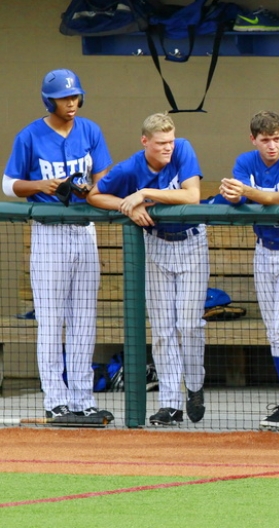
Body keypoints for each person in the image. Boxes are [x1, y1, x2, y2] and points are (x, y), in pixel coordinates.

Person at [2, 68, 113, 423]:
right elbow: (8, 185)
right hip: (49, 232)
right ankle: (56, 400)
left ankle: (83, 398)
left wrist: (89, 190)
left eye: (75, 96)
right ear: (49, 100)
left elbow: (103, 180)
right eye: (64, 98)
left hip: (84, 230)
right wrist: (41, 186)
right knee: (51, 321)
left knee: (84, 320)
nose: (72, 103)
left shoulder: (90, 130)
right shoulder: (30, 135)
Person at [88, 112, 209, 427]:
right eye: (160, 143)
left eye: (170, 141)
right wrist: (127, 204)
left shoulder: (183, 148)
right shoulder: (130, 166)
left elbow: (192, 196)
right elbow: (94, 194)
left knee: (189, 324)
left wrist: (144, 194)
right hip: (156, 243)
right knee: (163, 329)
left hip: (192, 241)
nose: (168, 147)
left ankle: (195, 385)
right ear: (145, 142)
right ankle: (170, 403)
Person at [219, 111, 279, 429]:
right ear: (253, 139)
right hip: (264, 250)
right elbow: (234, 197)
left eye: (277, 138)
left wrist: (244, 192)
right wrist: (237, 194)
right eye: (265, 139)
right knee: (276, 333)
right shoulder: (246, 161)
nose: (272, 145)